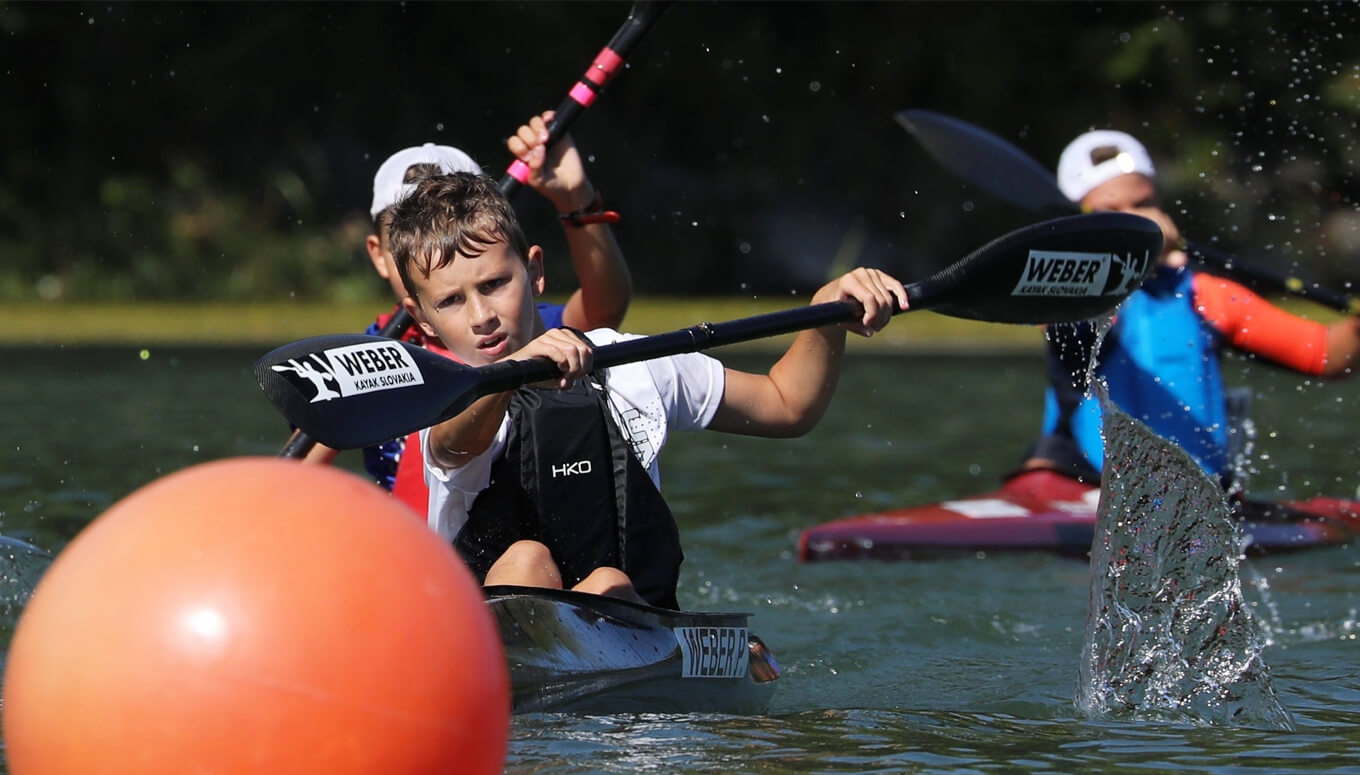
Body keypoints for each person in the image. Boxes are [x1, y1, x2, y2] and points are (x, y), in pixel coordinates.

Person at [386, 171, 906, 609]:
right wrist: (519, 369)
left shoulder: (629, 362)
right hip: (495, 627)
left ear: (535, 271)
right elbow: (456, 445)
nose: (481, 317)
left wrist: (827, 312)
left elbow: (787, 404)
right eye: (451, 301)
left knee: (608, 583)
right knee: (529, 560)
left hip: (627, 610)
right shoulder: (441, 398)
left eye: (495, 284)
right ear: (422, 318)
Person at [307, 112, 633, 508]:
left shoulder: (514, 329)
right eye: (408, 232)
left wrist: (574, 201)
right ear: (379, 253)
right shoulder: (361, 356)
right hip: (410, 549)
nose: (433, 248)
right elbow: (302, 470)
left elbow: (604, 309)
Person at [1021, 129, 1360, 488]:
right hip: (1087, 486)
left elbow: (1326, 355)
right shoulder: (1071, 288)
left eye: (1142, 205)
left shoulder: (1207, 295)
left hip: (1197, 497)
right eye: (1112, 212)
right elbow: (1054, 310)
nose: (1134, 220)